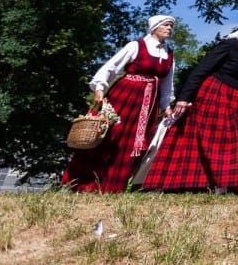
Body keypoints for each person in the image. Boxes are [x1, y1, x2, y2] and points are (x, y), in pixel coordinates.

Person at [142, 15, 238, 194]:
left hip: (230, 100)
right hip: (214, 95)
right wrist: (184, 97)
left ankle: (216, 184)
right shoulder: (230, 45)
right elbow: (201, 70)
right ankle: (208, 185)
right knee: (215, 139)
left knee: (223, 139)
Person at [61, 15, 177, 193]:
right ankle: (84, 185)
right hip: (125, 96)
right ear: (155, 27)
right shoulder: (137, 46)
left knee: (132, 145)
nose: (169, 28)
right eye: (166, 25)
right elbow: (111, 67)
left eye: (171, 26)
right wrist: (100, 88)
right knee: (110, 136)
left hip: (147, 107)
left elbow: (167, 84)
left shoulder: (169, 54)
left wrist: (166, 106)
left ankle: (113, 188)